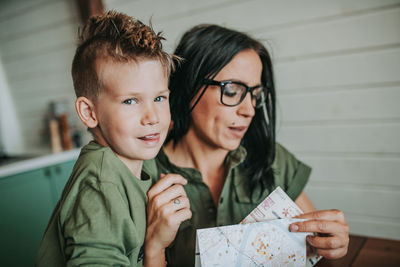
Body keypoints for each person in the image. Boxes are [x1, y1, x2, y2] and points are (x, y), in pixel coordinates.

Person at [143, 24, 349, 266]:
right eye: (231, 91)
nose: (249, 109)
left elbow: (315, 239)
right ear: (189, 84)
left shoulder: (269, 157)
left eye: (255, 94)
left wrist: (332, 241)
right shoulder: (143, 172)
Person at [36, 11, 191, 266]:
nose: (152, 117)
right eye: (131, 101)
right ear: (89, 112)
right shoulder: (100, 185)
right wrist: (155, 246)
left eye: (159, 98)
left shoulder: (139, 158)